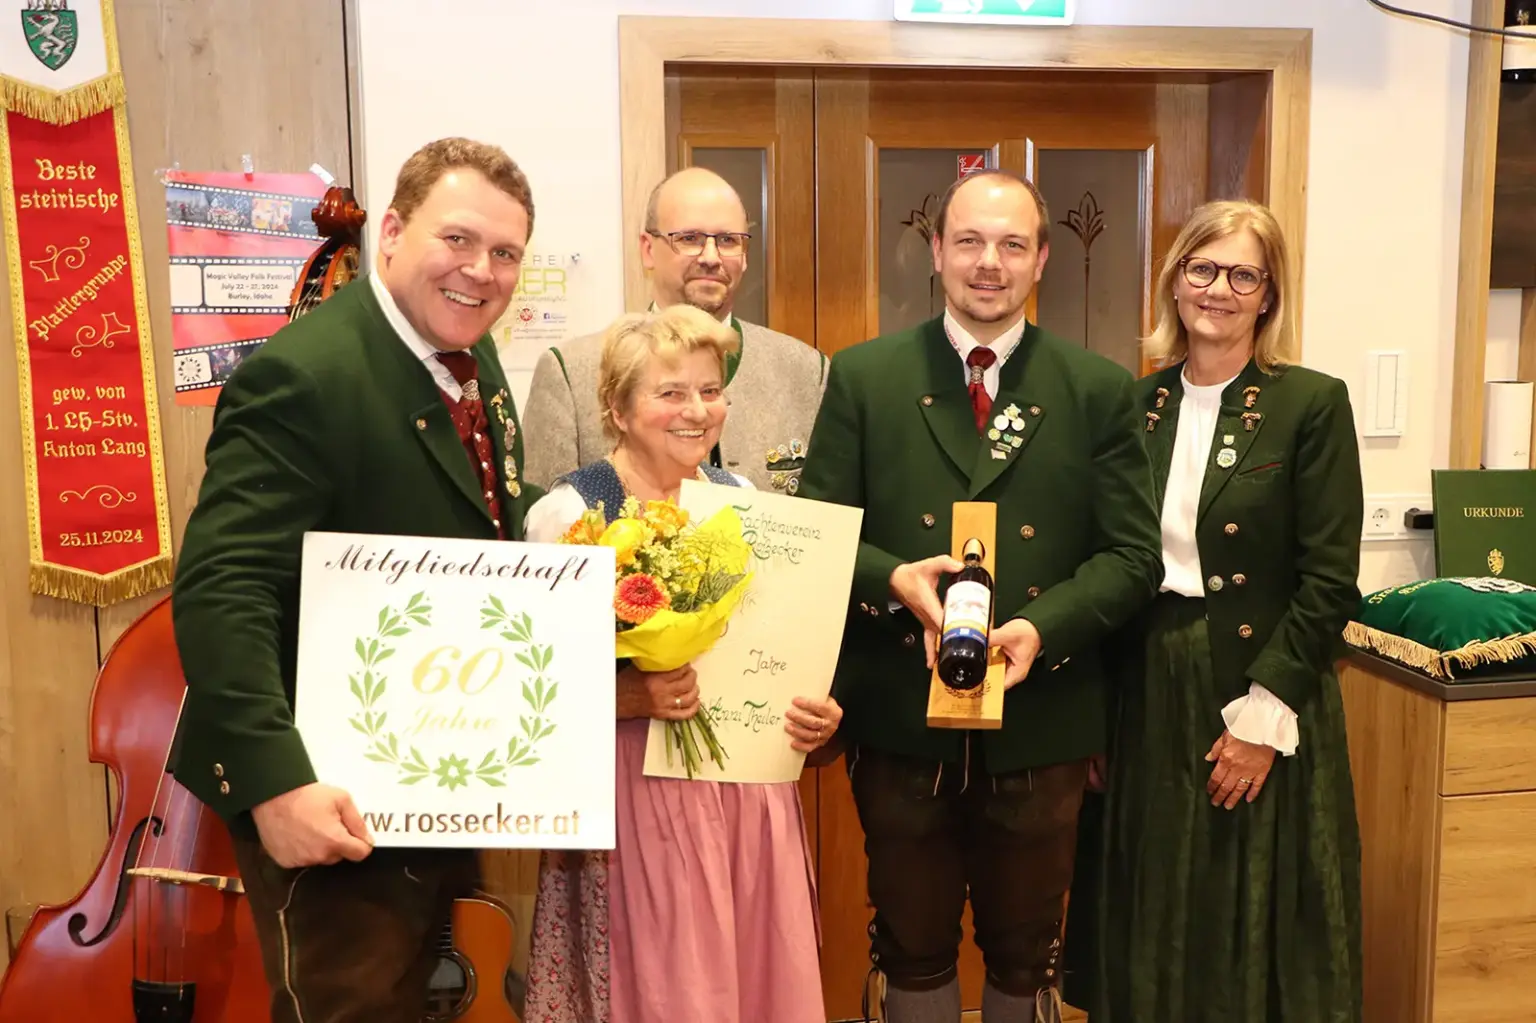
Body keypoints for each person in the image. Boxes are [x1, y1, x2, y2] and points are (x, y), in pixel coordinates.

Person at [169, 138, 541, 1023]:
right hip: (328, 799)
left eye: (505, 254)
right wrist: (275, 784)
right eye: (457, 240)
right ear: (395, 232)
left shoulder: (473, 361)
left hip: (433, 773)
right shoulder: (305, 376)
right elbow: (224, 586)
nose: (480, 271)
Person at [796, 170, 1164, 1023]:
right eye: (968, 241)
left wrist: (1044, 624)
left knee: (1027, 948)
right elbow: (814, 531)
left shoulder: (1097, 387)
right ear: (936, 252)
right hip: (898, 713)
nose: (987, 263)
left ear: (1041, 259)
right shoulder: (865, 377)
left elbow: (1133, 555)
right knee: (911, 943)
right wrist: (891, 576)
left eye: (1009, 245)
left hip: (1044, 716)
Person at [1066, 199, 1364, 1022]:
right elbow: (1107, 564)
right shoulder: (1138, 404)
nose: (1219, 290)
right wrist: (1095, 717)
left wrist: (1260, 719)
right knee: (1153, 897)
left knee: (1250, 910)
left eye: (1243, 274)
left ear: (1268, 294)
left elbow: (1330, 580)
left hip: (1259, 682)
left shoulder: (1310, 404)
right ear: (1176, 281)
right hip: (1146, 684)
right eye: (1203, 268)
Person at [520, 303, 841, 1023]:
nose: (698, 410)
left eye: (710, 389)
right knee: (668, 985)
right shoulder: (571, 512)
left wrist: (812, 704)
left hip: (749, 792)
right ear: (618, 407)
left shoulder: (745, 500)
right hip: (634, 792)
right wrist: (626, 696)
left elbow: (777, 641)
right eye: (671, 393)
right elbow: (529, 682)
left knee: (758, 972)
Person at [522, 166, 826, 495]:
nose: (711, 257)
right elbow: (543, 535)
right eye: (689, 239)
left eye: (727, 240)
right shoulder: (571, 373)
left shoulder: (807, 371)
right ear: (648, 250)